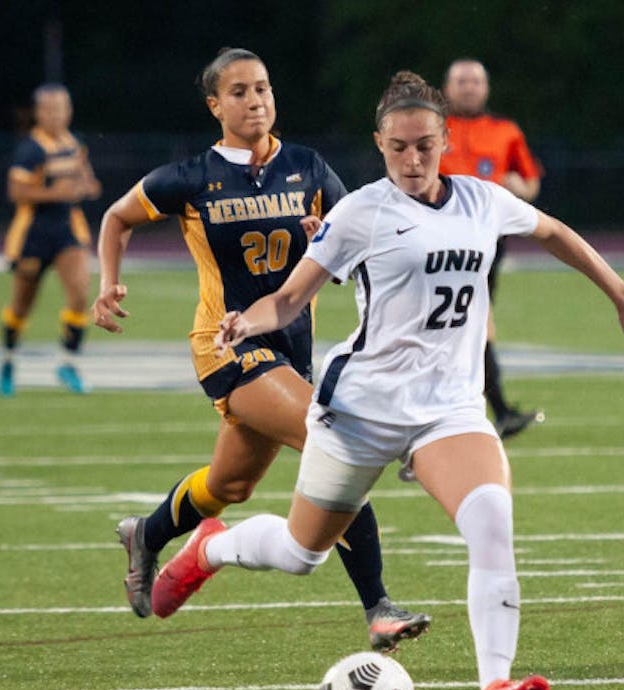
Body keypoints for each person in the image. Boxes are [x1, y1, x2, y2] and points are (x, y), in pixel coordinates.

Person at [151, 71, 624, 690]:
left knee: (491, 520)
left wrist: (622, 296)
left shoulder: (483, 201)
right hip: (363, 409)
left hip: (449, 410)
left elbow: (553, 232)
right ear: (380, 144)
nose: (412, 160)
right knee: (299, 552)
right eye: (397, 148)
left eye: (425, 145)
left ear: (445, 138)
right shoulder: (360, 212)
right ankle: (213, 546)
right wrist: (245, 325)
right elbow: (289, 298)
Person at [91, 48, 430, 652]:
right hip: (225, 347)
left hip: (289, 352)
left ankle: (147, 532)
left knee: (231, 485)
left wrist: (326, 239)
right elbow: (117, 216)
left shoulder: (308, 166)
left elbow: (359, 242)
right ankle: (377, 605)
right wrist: (108, 282)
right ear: (215, 105)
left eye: (264, 88)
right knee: (337, 438)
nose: (256, 101)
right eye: (241, 91)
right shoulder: (193, 176)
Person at [439, 58, 545, 438]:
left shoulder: (505, 132)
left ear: (486, 88)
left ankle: (491, 409)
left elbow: (530, 185)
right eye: (461, 81)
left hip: (486, 241)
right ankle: (496, 409)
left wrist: (518, 187)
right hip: (436, 237)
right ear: (447, 87)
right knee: (468, 322)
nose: (469, 88)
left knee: (469, 321)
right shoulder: (433, 127)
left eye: (475, 81)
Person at [0, 83, 101, 396]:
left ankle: (68, 363)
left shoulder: (74, 144)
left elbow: (91, 184)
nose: (58, 115)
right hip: (33, 232)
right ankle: (8, 359)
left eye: (63, 109)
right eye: (51, 109)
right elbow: (16, 192)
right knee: (22, 304)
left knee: (81, 293)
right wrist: (53, 193)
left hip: (68, 230)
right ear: (39, 113)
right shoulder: (31, 149)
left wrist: (84, 187)